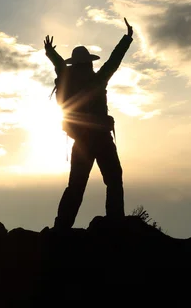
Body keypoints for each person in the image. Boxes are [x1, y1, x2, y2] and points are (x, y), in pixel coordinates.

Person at [44, 18, 133, 229]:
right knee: (113, 179)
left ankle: (62, 227)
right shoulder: (98, 79)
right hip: (101, 138)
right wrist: (126, 39)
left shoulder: (66, 77)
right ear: (89, 63)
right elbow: (113, 61)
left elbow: (58, 64)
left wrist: (49, 51)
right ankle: (115, 222)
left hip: (81, 140)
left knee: (76, 185)